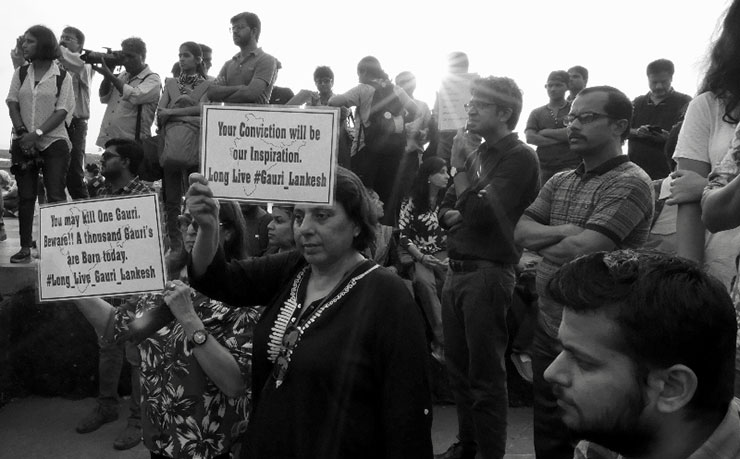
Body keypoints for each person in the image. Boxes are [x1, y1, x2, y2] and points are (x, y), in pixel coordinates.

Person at [186, 166, 433, 458]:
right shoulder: (295, 268)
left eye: (322, 215)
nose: (304, 228)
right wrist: (208, 225)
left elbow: (408, 415)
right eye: (300, 217)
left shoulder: (386, 294)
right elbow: (216, 280)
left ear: (356, 224)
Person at [514, 85, 654, 459]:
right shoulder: (560, 180)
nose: (573, 124)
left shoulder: (631, 181)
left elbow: (586, 250)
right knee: (548, 425)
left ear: (619, 126)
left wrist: (552, 240)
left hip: (600, 334)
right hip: (548, 324)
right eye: (572, 116)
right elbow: (520, 231)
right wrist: (569, 231)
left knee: (596, 432)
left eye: (586, 117)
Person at [75, 200, 259, 459]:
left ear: (228, 232)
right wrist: (68, 285)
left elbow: (234, 384)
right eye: (186, 222)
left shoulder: (244, 291)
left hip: (210, 445)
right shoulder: (161, 281)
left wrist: (188, 318)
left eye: (200, 223)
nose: (191, 230)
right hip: (159, 439)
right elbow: (115, 326)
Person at [544, 249, 739, 459]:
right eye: (562, 350)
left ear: (672, 387)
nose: (551, 372)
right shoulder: (610, 439)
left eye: (583, 361)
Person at [435, 76, 540, 459]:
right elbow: (444, 208)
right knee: (459, 373)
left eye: (479, 103)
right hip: (457, 271)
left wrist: (461, 170)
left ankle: (488, 454)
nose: (470, 109)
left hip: (488, 272)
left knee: (485, 376)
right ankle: (468, 445)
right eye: (469, 104)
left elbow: (480, 214)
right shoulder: (477, 157)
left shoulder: (519, 156)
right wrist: (461, 201)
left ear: (505, 112)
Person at [74, 138, 152, 450]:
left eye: (109, 156)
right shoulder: (101, 192)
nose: (103, 159)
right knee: (107, 347)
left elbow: (152, 246)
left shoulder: (145, 196)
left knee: (136, 354)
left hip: (136, 289)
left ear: (127, 162)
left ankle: (137, 419)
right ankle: (107, 406)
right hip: (106, 285)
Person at [671, 0, 740, 291]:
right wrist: (688, 286)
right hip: (723, 277)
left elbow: (696, 189)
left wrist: (703, 187)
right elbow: (690, 205)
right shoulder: (710, 106)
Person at [6, 25, 75, 263]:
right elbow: (12, 102)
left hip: (54, 141)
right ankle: (25, 247)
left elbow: (62, 111)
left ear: (44, 44)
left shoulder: (63, 76)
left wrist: (36, 133)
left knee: (55, 195)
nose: (24, 45)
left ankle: (57, 247)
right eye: (24, 41)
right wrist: (23, 132)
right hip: (24, 140)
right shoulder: (21, 73)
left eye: (30, 41)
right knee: (26, 196)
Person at [328, 56, 420, 225]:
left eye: (358, 73)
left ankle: (367, 242)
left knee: (365, 199)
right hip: (394, 154)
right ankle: (388, 242)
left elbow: (333, 101)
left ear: (363, 71)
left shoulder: (363, 89)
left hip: (366, 153)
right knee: (388, 200)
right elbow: (415, 110)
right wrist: (396, 122)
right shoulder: (396, 89)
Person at [157, 41, 212, 254]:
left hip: (194, 146)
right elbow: (160, 112)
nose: (181, 59)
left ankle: (194, 243)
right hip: (171, 145)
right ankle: (176, 247)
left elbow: (205, 111)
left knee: (194, 196)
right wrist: (187, 115)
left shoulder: (209, 84)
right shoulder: (170, 82)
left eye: (186, 55)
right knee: (171, 200)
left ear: (198, 60)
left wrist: (173, 113)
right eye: (180, 55)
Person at [398, 156, 449, 362]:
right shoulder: (411, 201)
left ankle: (456, 339)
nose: (447, 176)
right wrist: (420, 256)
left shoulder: (448, 200)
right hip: (419, 255)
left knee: (451, 284)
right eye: (442, 172)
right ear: (429, 176)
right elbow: (403, 235)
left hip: (444, 252)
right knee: (424, 284)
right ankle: (442, 341)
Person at [628, 59, 692, 180]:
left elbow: (691, 136)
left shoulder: (685, 101)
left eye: (664, 82)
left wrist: (669, 138)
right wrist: (637, 132)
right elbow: (621, 130)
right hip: (635, 172)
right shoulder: (637, 102)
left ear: (672, 78)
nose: (659, 86)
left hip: (667, 173)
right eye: (654, 82)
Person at [94, 37, 161, 149]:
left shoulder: (152, 79)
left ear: (142, 56)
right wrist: (108, 75)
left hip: (132, 144)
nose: (126, 60)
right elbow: (104, 98)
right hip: (110, 140)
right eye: (124, 56)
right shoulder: (122, 75)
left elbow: (135, 96)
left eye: (131, 56)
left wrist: (110, 76)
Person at [207, 12, 277, 104]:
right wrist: (240, 88)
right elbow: (211, 93)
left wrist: (223, 93)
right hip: (226, 116)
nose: (235, 31)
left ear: (254, 31)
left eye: (240, 27)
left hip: (255, 116)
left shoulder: (266, 60)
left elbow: (250, 94)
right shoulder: (229, 64)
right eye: (233, 28)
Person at [525, 70, 581, 182]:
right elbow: (530, 138)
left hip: (571, 165)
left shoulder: (575, 110)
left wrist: (546, 132)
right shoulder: (537, 112)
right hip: (543, 166)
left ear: (567, 86)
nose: (553, 89)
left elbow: (576, 132)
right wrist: (563, 139)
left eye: (558, 85)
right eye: (549, 85)